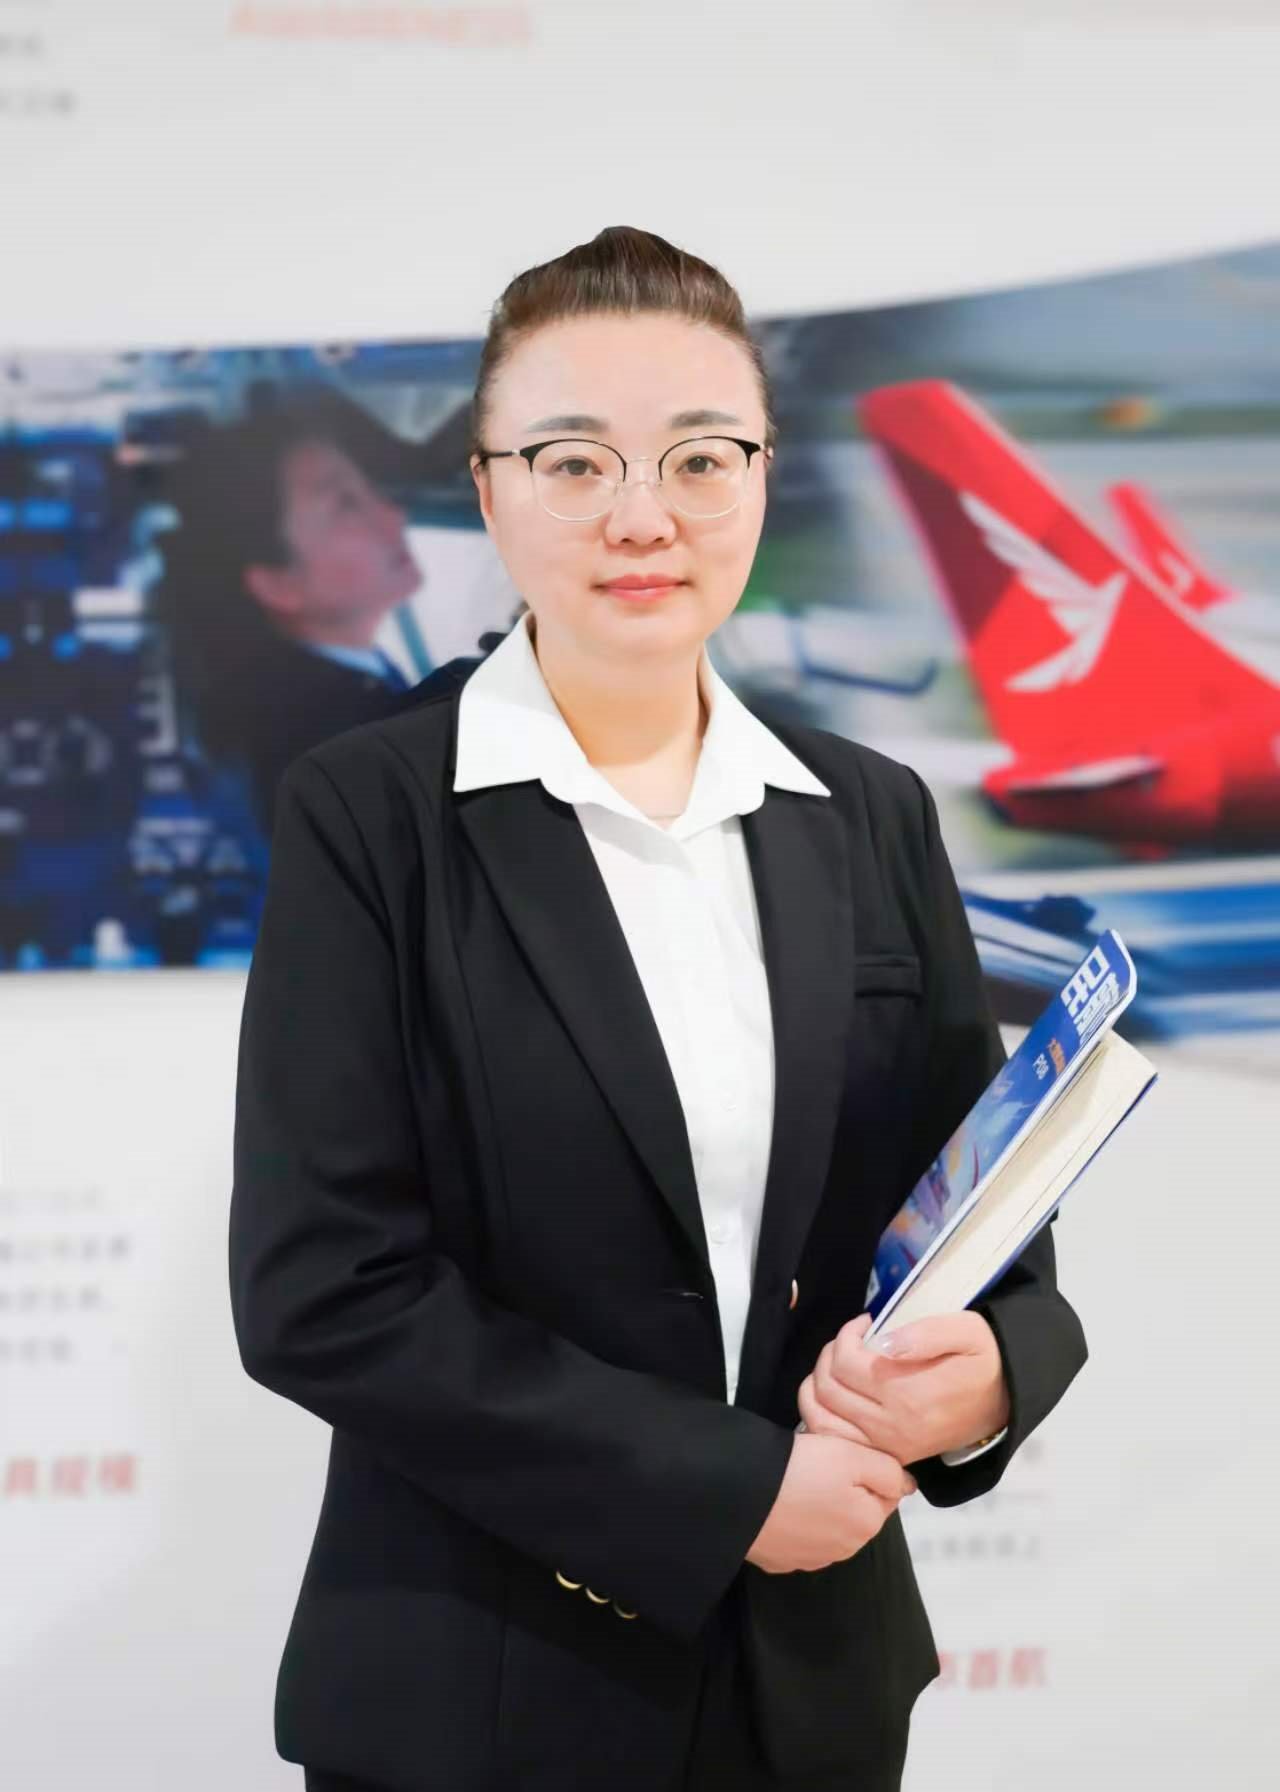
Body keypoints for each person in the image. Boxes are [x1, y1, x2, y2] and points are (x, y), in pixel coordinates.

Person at [228, 226, 1088, 1792]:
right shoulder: (370, 814)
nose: (645, 516)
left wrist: (992, 1379)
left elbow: (988, 1233)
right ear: (490, 490)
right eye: (575, 463)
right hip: (483, 1697)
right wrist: (724, 1492)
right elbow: (324, 1289)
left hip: (812, 1695)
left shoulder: (871, 811)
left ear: (760, 478)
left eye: (701, 458)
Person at [157, 385, 426, 835]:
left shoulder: (331, 700)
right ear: (278, 585)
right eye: (346, 504)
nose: (393, 515)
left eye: (370, 492)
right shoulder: (338, 748)